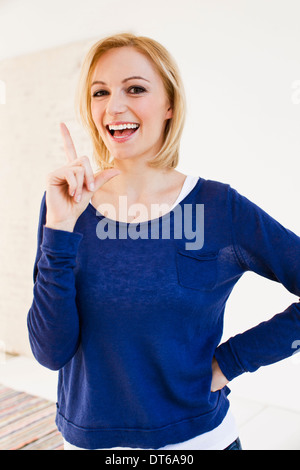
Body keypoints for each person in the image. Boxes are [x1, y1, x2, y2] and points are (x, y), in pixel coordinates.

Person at [27, 33, 300, 451]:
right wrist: (60, 230)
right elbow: (50, 351)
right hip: (89, 443)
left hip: (198, 442)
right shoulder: (66, 205)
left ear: (170, 104)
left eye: (135, 88)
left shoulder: (217, 207)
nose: (115, 106)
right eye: (100, 92)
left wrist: (232, 361)